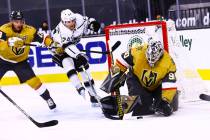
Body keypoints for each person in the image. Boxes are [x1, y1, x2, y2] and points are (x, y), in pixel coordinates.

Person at [100, 38, 178, 117]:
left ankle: (160, 101)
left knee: (169, 107)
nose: (150, 62)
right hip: (137, 80)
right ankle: (142, 100)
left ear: (160, 55)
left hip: (158, 85)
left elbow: (169, 84)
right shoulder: (137, 51)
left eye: (154, 59)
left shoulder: (168, 62)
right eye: (148, 58)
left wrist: (165, 100)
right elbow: (121, 63)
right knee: (142, 109)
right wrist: (113, 77)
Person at [39, 9, 101, 106]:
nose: (71, 23)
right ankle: (79, 87)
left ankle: (93, 95)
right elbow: (67, 47)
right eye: (68, 22)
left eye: (72, 20)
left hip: (71, 47)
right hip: (58, 50)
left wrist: (93, 24)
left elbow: (88, 20)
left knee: (85, 68)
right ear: (63, 22)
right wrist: (78, 55)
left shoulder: (79, 18)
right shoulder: (63, 31)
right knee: (69, 64)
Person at [0, 11, 56, 110]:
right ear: (12, 21)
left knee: (34, 82)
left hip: (20, 62)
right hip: (2, 60)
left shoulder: (30, 30)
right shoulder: (4, 29)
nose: (19, 24)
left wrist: (51, 43)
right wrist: (8, 42)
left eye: (21, 21)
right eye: (16, 22)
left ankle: (48, 98)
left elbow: (43, 39)